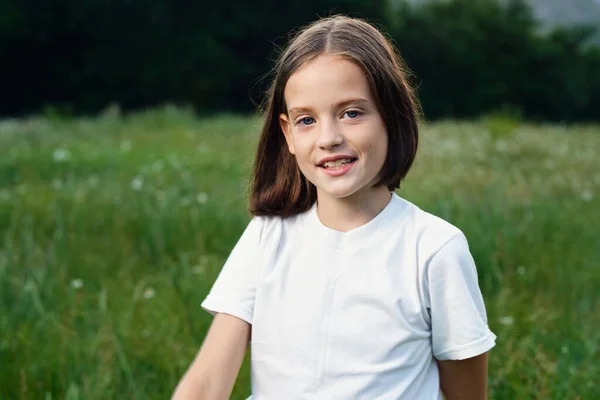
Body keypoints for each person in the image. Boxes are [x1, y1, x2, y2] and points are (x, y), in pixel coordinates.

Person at [172, 15, 496, 400]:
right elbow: (207, 384)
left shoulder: (434, 249)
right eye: (307, 120)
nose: (328, 138)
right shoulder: (267, 236)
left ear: (391, 117)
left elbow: (466, 393)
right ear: (288, 134)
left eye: (352, 113)